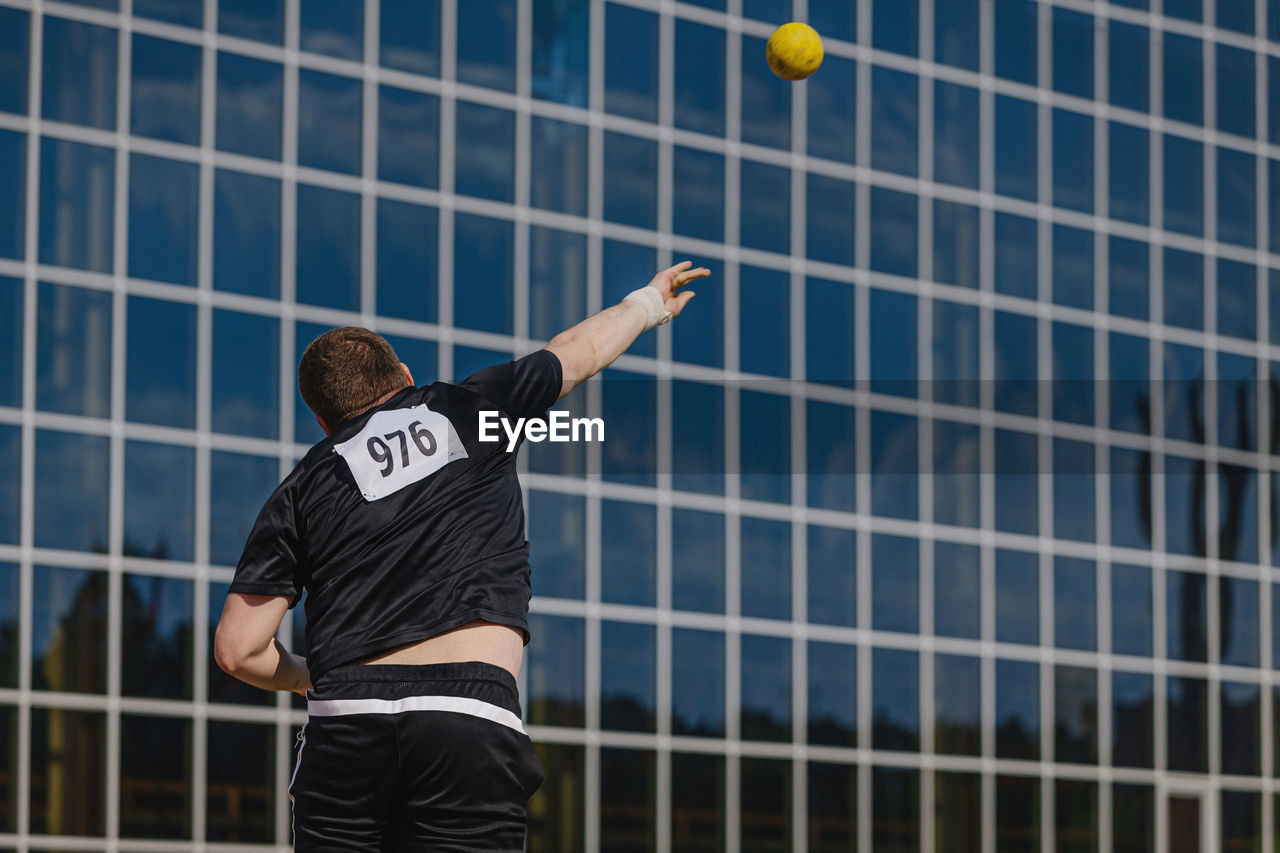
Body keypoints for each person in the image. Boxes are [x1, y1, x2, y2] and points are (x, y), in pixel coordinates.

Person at [213, 260, 708, 850]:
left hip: (347, 722)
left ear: (323, 422)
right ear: (404, 374)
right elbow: (575, 352)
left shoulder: (300, 487)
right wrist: (648, 304)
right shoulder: (470, 408)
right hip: (465, 718)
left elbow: (237, 648)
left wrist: (308, 678)